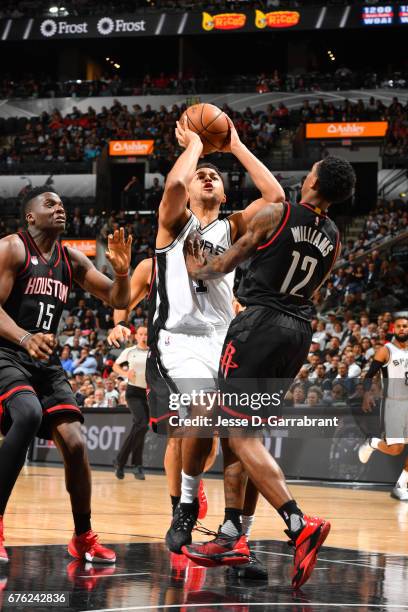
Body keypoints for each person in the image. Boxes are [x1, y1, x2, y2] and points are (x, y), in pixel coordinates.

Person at [183, 156, 355, 589]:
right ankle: (233, 535)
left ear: (313, 180)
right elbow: (315, 284)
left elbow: (226, 264)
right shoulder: (333, 236)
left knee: (237, 435)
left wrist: (194, 268)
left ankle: (299, 524)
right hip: (298, 332)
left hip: (259, 323)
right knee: (246, 434)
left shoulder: (278, 213)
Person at [149, 115, 285, 579]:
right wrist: (195, 148)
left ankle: (238, 536)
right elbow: (172, 188)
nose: (208, 176)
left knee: (240, 441)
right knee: (204, 410)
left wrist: (237, 147)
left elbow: (276, 200)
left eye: (216, 177)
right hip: (179, 339)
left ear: (225, 195)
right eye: (200, 175)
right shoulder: (172, 224)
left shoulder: (234, 226)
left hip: (224, 337)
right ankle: (186, 505)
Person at [0, 187, 131, 564]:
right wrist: (25, 338)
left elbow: (118, 299)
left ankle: (83, 537)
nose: (60, 208)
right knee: (27, 414)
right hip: (8, 352)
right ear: (30, 216)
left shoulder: (70, 259)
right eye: (50, 204)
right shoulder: (12, 248)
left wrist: (121, 271)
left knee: (74, 444)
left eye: (62, 204)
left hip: (45, 362)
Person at [358, 316, 408, 501]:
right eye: (400, 326)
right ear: (395, 329)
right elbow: (370, 375)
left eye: (406, 326)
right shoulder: (386, 350)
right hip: (392, 404)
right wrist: (366, 394)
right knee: (396, 449)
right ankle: (372, 442)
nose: (403, 329)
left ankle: (401, 486)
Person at [112, 326, 149, 480]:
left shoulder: (153, 352)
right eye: (141, 334)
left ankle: (121, 462)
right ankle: (136, 465)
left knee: (140, 427)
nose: (144, 336)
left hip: (148, 393)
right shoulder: (130, 351)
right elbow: (115, 366)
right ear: (136, 336)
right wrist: (126, 373)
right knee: (141, 423)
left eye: (146, 334)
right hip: (133, 392)